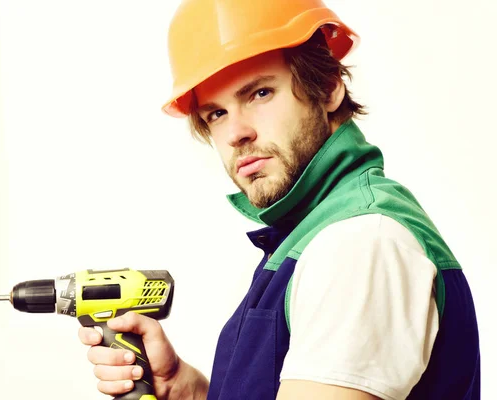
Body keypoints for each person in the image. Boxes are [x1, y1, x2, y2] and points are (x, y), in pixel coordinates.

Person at [78, 0, 481, 399]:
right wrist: (190, 392)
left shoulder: (360, 244)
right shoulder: (311, 237)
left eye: (260, 93)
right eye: (216, 114)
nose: (236, 133)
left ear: (327, 87)